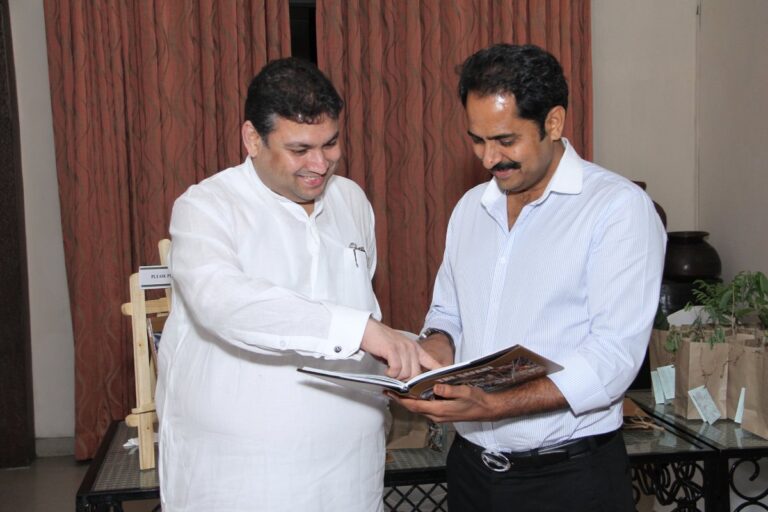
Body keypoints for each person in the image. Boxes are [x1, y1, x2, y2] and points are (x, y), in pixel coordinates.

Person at [156, 57, 437, 512]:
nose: (320, 163)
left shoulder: (352, 201)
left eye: (331, 144)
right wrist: (361, 330)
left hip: (350, 469)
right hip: (241, 477)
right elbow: (226, 304)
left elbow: (353, 301)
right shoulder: (206, 207)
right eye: (300, 148)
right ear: (252, 138)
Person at [394, 44, 666, 511]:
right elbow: (448, 315)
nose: (487, 158)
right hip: (471, 470)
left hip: (569, 478)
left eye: (505, 140)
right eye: (477, 140)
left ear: (553, 123)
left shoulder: (616, 209)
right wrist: (430, 356)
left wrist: (493, 404)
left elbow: (614, 358)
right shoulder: (470, 210)